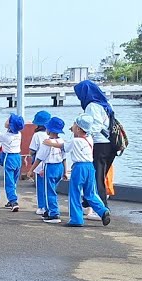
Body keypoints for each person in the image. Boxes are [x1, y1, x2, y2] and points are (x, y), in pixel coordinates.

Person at [43, 114, 111, 228]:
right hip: (90, 167)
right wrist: (75, 130)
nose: (72, 126)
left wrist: (49, 143)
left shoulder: (74, 141)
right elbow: (79, 135)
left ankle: (76, 219)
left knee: (75, 193)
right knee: (91, 193)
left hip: (79, 168)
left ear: (79, 128)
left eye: (74, 124)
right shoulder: (89, 138)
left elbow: (63, 146)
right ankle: (103, 210)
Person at [73, 79, 117, 211]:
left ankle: (102, 208)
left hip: (100, 144)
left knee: (97, 177)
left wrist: (82, 134)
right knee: (99, 175)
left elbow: (96, 125)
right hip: (110, 144)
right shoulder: (105, 104)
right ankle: (89, 201)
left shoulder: (91, 106)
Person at [38, 116, 66, 224]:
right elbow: (64, 157)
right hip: (60, 167)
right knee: (53, 190)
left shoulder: (46, 142)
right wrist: (65, 171)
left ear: (49, 130)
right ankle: (48, 210)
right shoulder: (61, 141)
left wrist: (31, 169)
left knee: (49, 191)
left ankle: (54, 213)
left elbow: (39, 158)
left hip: (50, 167)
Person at [28, 111, 53, 216]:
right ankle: (50, 207)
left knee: (40, 187)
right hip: (51, 164)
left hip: (39, 165)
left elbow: (32, 150)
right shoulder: (52, 134)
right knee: (50, 187)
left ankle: (41, 206)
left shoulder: (37, 135)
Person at [0, 114, 25, 212]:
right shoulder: (18, 134)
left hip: (9, 157)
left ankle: (13, 200)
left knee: (9, 181)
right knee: (14, 180)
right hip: (17, 157)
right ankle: (12, 199)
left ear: (10, 125)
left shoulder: (6, 136)